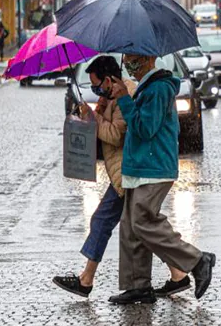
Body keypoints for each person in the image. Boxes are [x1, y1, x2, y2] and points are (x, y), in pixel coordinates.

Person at [53, 57, 186, 299]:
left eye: (96, 85)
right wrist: (95, 113)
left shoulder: (130, 92)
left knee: (126, 224)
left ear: (108, 78)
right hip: (123, 173)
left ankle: (88, 281)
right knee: (138, 228)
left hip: (131, 171)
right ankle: (174, 275)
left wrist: (97, 119)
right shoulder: (111, 97)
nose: (95, 91)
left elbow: (118, 134)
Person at [107, 54, 215, 304]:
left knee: (144, 220)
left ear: (147, 58)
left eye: (133, 56)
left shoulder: (158, 88)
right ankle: (138, 285)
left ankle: (197, 260)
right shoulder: (147, 86)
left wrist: (124, 98)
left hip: (154, 165)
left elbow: (145, 128)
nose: (128, 61)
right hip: (140, 165)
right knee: (131, 225)